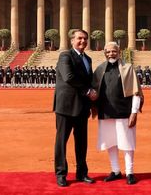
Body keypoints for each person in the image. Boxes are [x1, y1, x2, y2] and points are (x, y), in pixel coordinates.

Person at [92, 42, 143, 185]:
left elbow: (136, 92)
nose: (111, 54)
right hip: (105, 112)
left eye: (113, 51)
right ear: (104, 53)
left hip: (124, 112)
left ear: (119, 52)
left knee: (127, 144)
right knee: (111, 143)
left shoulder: (128, 68)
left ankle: (130, 172)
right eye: (108, 52)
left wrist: (134, 112)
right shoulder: (100, 69)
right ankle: (115, 171)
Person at [53, 29, 98, 187]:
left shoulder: (88, 59)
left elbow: (90, 80)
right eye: (79, 38)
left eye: (85, 39)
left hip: (82, 106)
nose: (83, 41)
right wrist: (88, 91)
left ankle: (82, 173)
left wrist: (92, 100)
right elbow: (69, 77)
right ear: (72, 40)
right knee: (61, 141)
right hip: (66, 105)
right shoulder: (65, 55)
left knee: (81, 142)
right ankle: (61, 173)